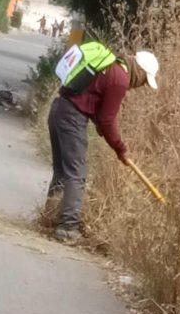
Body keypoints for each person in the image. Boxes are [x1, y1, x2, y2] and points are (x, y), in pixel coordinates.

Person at [47, 46, 159, 242]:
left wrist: (106, 132)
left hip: (58, 109)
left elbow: (98, 112)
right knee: (77, 174)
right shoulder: (120, 79)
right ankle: (68, 228)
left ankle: (49, 217)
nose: (141, 85)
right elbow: (107, 121)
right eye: (144, 81)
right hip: (72, 119)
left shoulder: (110, 64)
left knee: (62, 170)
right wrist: (120, 148)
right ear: (139, 71)